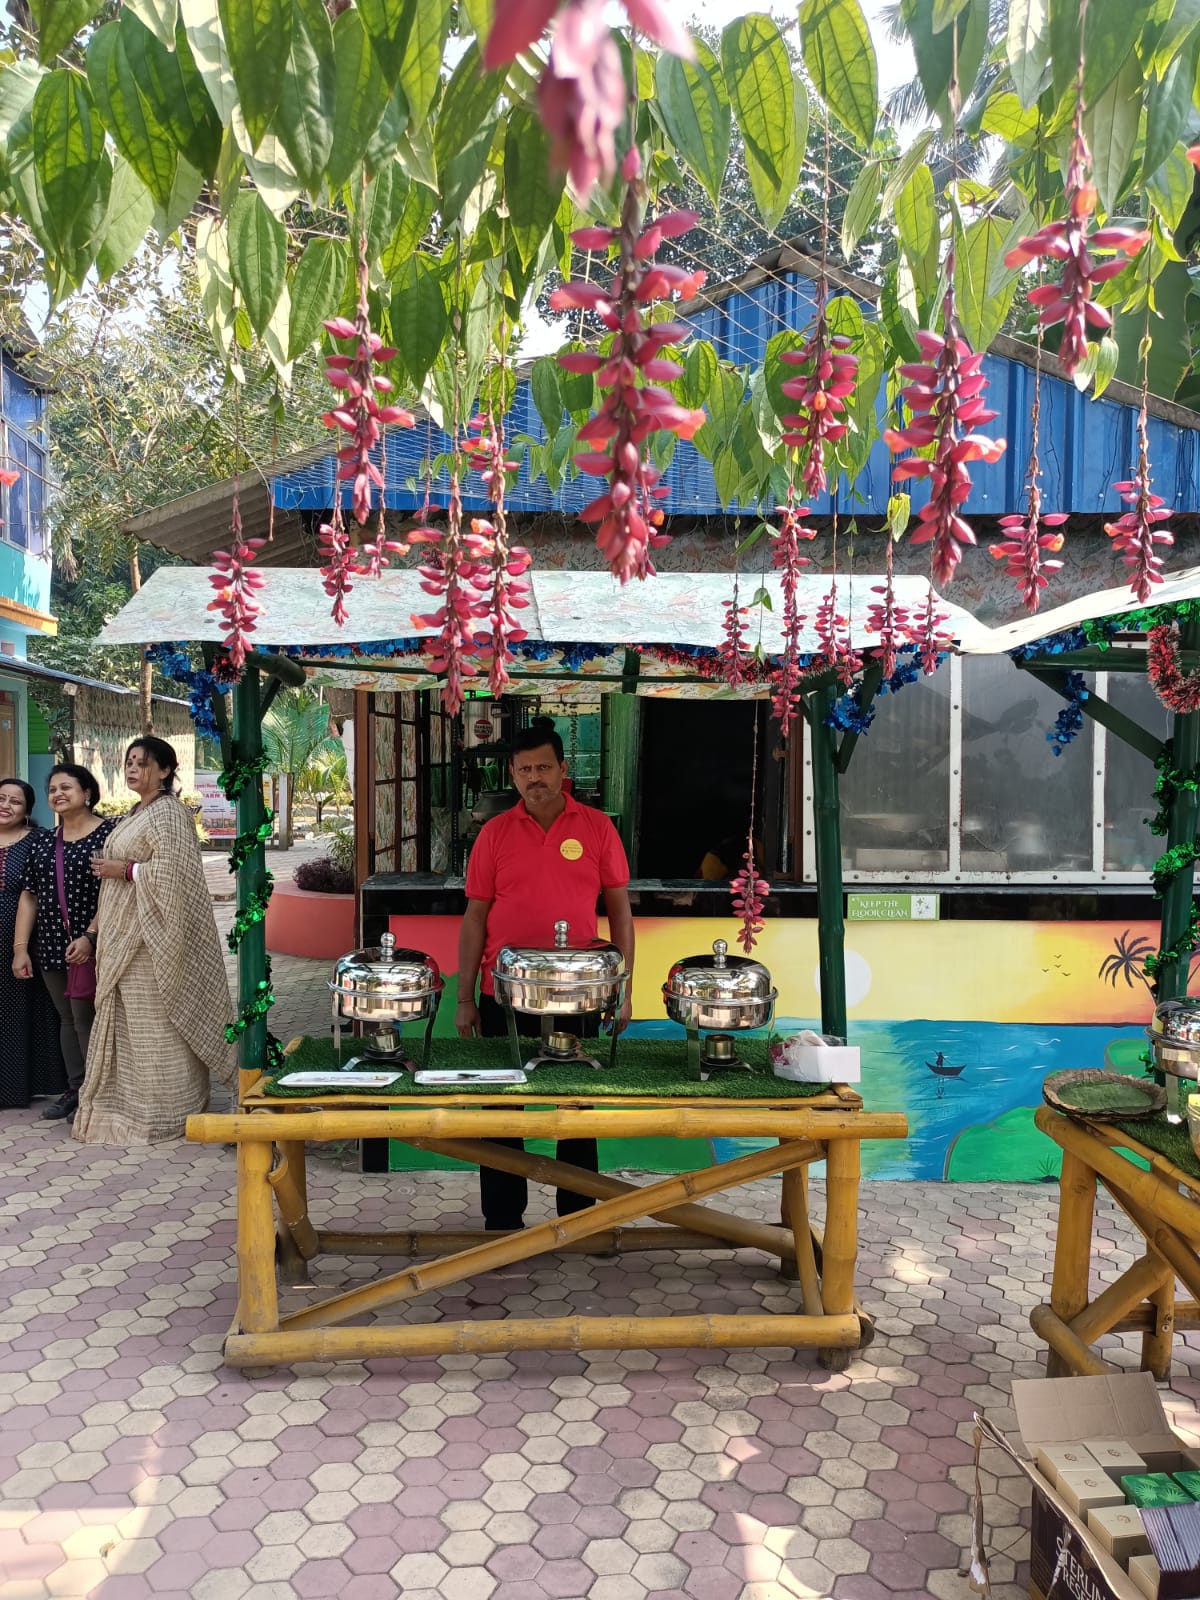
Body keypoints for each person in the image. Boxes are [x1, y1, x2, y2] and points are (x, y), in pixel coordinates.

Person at [456, 723, 634, 1231]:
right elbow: (474, 918)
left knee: (574, 1107)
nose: (534, 777)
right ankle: (502, 1221)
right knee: (501, 1109)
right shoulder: (494, 833)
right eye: (524, 769)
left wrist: (621, 989)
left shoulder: (597, 828)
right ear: (512, 774)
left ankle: (578, 1221)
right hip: (503, 994)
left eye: (543, 767)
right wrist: (465, 997)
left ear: (562, 770)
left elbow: (620, 913)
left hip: (578, 993)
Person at [73, 736, 235, 1145]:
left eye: (142, 763)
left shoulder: (169, 813)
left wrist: (125, 871)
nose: (132, 769)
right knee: (129, 1028)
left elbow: (177, 874)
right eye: (129, 761)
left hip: (153, 940)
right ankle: (126, 1107)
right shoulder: (135, 812)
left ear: (165, 771)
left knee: (160, 1026)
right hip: (121, 935)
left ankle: (169, 1111)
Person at [13, 764, 114, 1123]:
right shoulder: (44, 841)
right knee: (68, 1018)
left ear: (87, 793)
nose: (58, 794)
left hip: (99, 942)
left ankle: (99, 1093)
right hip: (54, 945)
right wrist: (20, 949)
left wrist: (91, 936)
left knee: (90, 1018)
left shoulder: (109, 834)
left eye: (66, 787)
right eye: (53, 789)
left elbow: (115, 892)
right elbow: (29, 896)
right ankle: (77, 1089)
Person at [0, 778, 65, 1110]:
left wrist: (20, 947)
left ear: (27, 810)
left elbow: (37, 893)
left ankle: (15, 1088)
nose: (5, 806)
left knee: (19, 1011)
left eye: (15, 801)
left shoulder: (38, 841)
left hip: (21, 936)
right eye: (1, 798)